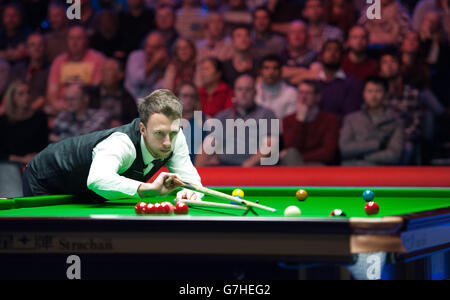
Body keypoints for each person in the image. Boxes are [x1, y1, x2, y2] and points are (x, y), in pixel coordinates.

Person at [23, 89, 202, 203]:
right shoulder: (121, 143)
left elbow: (191, 182)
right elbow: (98, 180)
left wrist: (190, 193)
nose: (167, 142)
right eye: (159, 133)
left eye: (173, 132)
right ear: (143, 129)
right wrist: (148, 189)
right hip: (45, 178)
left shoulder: (175, 138)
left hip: (81, 187)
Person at [195, 74, 277, 167]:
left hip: (255, 168)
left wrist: (246, 166)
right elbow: (208, 144)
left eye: (248, 89)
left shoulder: (266, 114)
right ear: (234, 92)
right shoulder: (223, 116)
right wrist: (197, 172)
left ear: (255, 92)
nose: (243, 93)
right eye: (240, 89)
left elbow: (270, 145)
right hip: (225, 167)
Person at [340, 76, 404, 166]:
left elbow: (394, 155)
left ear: (386, 94)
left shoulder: (396, 121)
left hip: (381, 171)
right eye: (369, 91)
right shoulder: (351, 119)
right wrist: (378, 145)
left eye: (378, 91)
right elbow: (344, 149)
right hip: (353, 170)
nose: (373, 96)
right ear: (363, 94)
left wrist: (362, 156)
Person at [47, 25, 106, 114]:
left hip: (88, 110)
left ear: (86, 41)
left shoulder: (98, 59)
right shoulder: (59, 61)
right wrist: (65, 107)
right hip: (62, 110)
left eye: (79, 38)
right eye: (71, 38)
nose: (74, 42)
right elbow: (52, 95)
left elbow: (97, 92)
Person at [281, 79, 339, 166]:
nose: (303, 97)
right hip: (292, 165)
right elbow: (291, 149)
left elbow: (328, 153)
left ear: (317, 97)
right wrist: (300, 121)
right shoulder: (288, 120)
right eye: (300, 92)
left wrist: (300, 157)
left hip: (317, 165)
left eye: (308, 93)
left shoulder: (330, 119)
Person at [0, 80, 49, 167]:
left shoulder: (40, 117)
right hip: (9, 165)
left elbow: (44, 146)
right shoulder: (3, 121)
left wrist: (36, 156)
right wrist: (21, 160)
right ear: (12, 97)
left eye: (28, 93)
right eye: (21, 94)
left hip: (35, 164)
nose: (26, 97)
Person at [317, 39, 364, 121]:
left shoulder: (352, 84)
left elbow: (351, 116)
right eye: (328, 49)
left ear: (342, 57)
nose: (332, 54)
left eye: (336, 50)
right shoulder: (313, 83)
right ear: (321, 56)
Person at [88, 58, 138, 127]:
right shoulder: (91, 95)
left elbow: (134, 123)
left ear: (120, 74)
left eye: (109, 70)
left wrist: (122, 126)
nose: (104, 73)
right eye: (103, 70)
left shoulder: (127, 98)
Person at [7, 33, 50, 111]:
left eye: (40, 45)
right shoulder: (18, 68)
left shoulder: (50, 70)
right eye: (32, 45)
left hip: (37, 111)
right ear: (27, 49)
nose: (37, 48)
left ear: (45, 48)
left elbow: (46, 96)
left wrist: (29, 111)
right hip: (16, 110)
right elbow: (10, 92)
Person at [125, 31, 169, 99]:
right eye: (147, 46)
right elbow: (136, 79)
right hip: (131, 101)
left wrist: (163, 65)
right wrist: (154, 62)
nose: (149, 50)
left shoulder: (162, 62)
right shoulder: (135, 56)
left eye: (154, 47)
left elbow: (162, 86)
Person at [255, 55, 298, 121]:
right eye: (266, 68)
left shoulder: (291, 93)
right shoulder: (253, 90)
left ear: (281, 71)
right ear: (260, 71)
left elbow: (290, 123)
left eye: (275, 68)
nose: (271, 72)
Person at [281, 20, 320, 86]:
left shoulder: (315, 56)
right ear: (287, 37)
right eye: (293, 32)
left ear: (308, 37)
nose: (297, 35)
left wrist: (289, 77)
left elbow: (315, 76)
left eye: (301, 32)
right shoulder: (282, 55)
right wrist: (304, 71)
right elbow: (279, 73)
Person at [176, 82, 206, 163]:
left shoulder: (204, 120)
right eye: (185, 96)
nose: (189, 99)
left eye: (192, 96)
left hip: (198, 168)